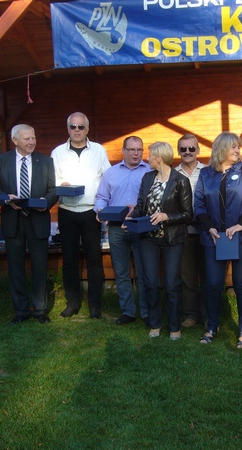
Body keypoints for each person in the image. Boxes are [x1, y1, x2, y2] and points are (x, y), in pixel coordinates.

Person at [194, 132, 242, 348]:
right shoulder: (205, 174)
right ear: (221, 149)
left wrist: (240, 224)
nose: (237, 150)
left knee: (241, 283)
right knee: (213, 283)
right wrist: (210, 228)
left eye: (238, 147)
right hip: (214, 238)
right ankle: (211, 326)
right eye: (233, 146)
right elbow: (198, 205)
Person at [0, 124, 57, 324]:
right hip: (13, 219)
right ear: (15, 140)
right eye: (27, 138)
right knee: (15, 267)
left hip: (37, 218)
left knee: (40, 265)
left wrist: (45, 203)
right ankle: (21, 310)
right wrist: (6, 199)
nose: (31, 142)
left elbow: (53, 190)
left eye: (33, 138)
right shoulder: (1, 160)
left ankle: (40, 309)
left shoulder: (46, 161)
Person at [129, 141, 192, 339]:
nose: (147, 158)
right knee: (151, 282)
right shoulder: (148, 178)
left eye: (150, 155)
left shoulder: (181, 181)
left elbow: (188, 214)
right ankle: (155, 324)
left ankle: (174, 327)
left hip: (173, 238)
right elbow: (141, 206)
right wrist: (131, 219)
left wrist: (166, 216)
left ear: (159, 158)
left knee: (172, 284)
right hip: (148, 238)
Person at [51, 112, 110, 319]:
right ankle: (73, 303)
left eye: (81, 126)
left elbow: (107, 178)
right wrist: (61, 185)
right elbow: (51, 180)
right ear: (68, 129)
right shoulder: (57, 152)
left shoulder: (99, 150)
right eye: (73, 126)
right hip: (67, 210)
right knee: (69, 259)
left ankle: (94, 305)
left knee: (94, 258)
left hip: (91, 211)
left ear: (87, 129)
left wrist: (104, 206)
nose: (77, 130)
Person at [94, 136, 150, 325]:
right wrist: (100, 209)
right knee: (121, 272)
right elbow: (102, 197)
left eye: (139, 150)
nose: (136, 153)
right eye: (132, 149)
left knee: (144, 272)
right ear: (123, 151)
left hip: (141, 226)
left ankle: (146, 312)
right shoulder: (111, 173)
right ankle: (128, 312)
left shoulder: (150, 171)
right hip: (117, 227)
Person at [175, 134, 207, 328]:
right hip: (183, 231)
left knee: (208, 275)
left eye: (191, 148)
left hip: (206, 231)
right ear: (178, 151)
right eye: (183, 149)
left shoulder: (208, 172)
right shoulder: (173, 174)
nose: (187, 152)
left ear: (198, 150)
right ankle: (190, 314)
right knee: (187, 276)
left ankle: (208, 315)